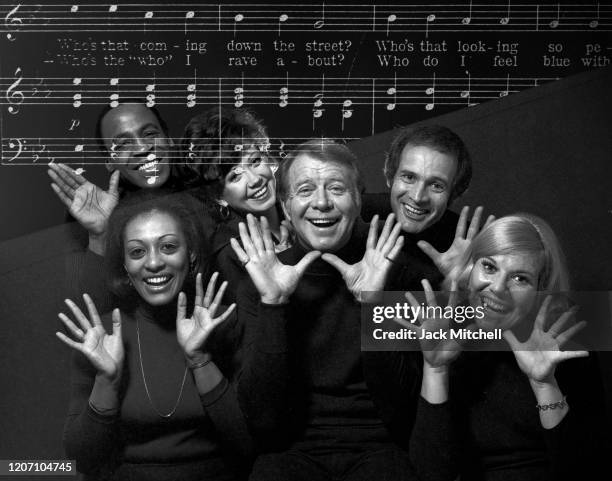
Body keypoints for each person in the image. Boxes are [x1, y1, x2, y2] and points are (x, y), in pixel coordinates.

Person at [232, 139, 417, 481]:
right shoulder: (258, 282)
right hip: (291, 452)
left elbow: (401, 410)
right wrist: (273, 303)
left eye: (336, 188)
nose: (321, 202)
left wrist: (373, 304)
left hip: (379, 449)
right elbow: (261, 419)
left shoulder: (393, 270)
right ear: (286, 207)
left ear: (358, 200)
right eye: (305, 190)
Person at [56, 190, 250, 481]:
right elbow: (83, 458)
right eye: (137, 251)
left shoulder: (224, 321)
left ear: (192, 254)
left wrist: (200, 359)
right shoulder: (101, 335)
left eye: (169, 246)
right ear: (125, 265)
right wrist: (106, 381)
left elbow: (249, 444)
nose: (154, 263)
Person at [402, 214, 599, 481]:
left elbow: (580, 471)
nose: (497, 288)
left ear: (541, 289)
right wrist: (435, 369)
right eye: (489, 267)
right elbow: (431, 472)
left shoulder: (566, 344)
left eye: (519, 279)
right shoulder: (443, 333)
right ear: (470, 268)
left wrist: (544, 384)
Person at [177, 107, 290, 303]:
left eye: (255, 161)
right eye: (235, 176)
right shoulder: (231, 254)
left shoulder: (301, 204)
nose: (255, 180)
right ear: (218, 197)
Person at [384, 124, 493, 290]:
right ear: (389, 175)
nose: (418, 197)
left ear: (455, 194)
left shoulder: (475, 250)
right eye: (409, 177)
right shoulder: (348, 219)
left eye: (436, 185)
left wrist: (459, 284)